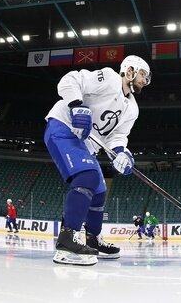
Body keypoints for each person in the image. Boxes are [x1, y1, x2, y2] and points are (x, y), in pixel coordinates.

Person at [44, 55, 151, 265]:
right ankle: (67, 240)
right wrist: (76, 105)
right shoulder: (110, 78)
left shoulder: (132, 109)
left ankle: (92, 239)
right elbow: (70, 80)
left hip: (85, 144)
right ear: (129, 70)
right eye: (142, 75)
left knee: (99, 191)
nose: (144, 81)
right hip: (64, 127)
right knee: (88, 176)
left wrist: (121, 153)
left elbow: (117, 136)